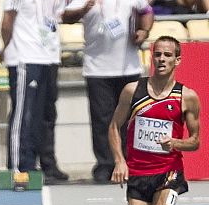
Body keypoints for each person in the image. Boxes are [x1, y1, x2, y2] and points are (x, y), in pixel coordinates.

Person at [108, 36, 201, 205]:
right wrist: (119, 161)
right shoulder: (132, 91)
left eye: (167, 55)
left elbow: (195, 140)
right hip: (137, 175)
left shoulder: (186, 96)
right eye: (157, 54)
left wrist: (175, 143)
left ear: (177, 61)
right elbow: (114, 126)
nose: (161, 59)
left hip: (169, 173)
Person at [63, 0, 153, 184]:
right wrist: (83, 9)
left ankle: (131, 164)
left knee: (131, 119)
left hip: (128, 68)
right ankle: (105, 165)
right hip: (97, 70)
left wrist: (144, 31)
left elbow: (147, 11)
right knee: (102, 120)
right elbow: (66, 17)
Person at [1, 0, 69, 183]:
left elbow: (61, 16)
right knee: (23, 114)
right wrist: (5, 48)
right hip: (24, 56)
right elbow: (7, 21)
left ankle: (39, 164)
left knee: (44, 115)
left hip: (48, 57)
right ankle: (18, 165)